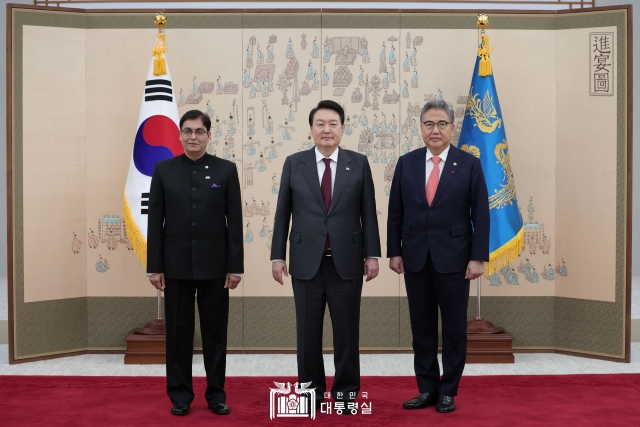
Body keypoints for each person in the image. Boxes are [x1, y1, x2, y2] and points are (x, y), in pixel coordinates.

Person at [271, 100, 381, 410]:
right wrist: (277, 256)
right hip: (306, 263)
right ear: (311, 129)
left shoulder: (358, 163)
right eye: (320, 124)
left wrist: (372, 254)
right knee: (307, 335)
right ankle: (311, 392)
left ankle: (346, 392)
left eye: (333, 123)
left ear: (343, 129)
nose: (326, 129)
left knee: (346, 333)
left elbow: (368, 213)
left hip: (346, 262)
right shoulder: (295, 163)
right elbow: (282, 215)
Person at [387, 99, 489, 413]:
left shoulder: (468, 163)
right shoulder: (407, 162)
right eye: (429, 124)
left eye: (441, 124)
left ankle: (448, 391)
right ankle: (427, 389)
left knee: (455, 329)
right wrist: (394, 252)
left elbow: (481, 214)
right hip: (415, 258)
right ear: (421, 128)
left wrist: (477, 257)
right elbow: (395, 212)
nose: (435, 130)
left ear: (452, 128)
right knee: (422, 328)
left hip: (456, 259)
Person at [147, 110, 243, 417]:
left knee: (215, 333)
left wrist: (234, 266)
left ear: (208, 135)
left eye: (199, 131)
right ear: (179, 135)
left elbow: (235, 222)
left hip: (215, 268)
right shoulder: (163, 170)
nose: (193, 137)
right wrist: (155, 266)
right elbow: (155, 222)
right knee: (178, 333)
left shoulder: (226, 170)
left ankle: (216, 394)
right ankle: (180, 394)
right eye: (187, 131)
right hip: (174, 267)